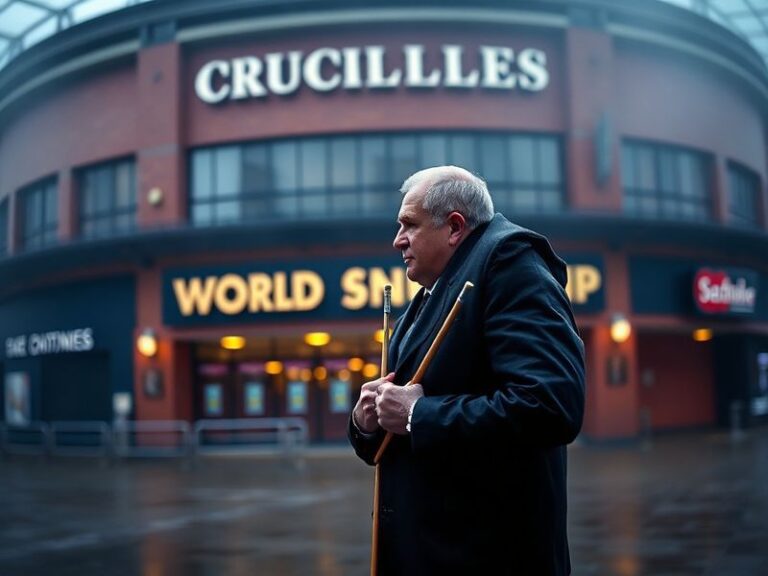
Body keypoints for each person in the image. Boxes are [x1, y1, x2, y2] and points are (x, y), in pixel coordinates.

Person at [348, 165, 585, 575]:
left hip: (485, 556)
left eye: (409, 225)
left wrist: (418, 414)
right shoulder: (430, 293)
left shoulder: (510, 266)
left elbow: (551, 404)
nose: (397, 240)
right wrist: (367, 420)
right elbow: (399, 427)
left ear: (455, 227)